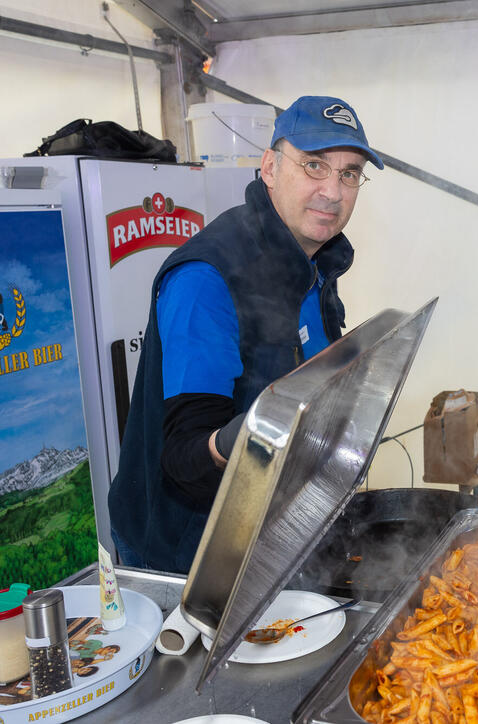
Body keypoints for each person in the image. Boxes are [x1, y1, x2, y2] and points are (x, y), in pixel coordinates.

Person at [107, 95, 383, 573]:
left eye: (350, 173)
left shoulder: (316, 260)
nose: (333, 191)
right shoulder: (208, 278)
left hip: (273, 531)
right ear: (270, 167)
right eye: (314, 166)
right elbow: (187, 458)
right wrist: (256, 431)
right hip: (188, 553)